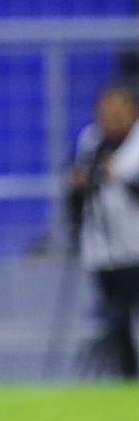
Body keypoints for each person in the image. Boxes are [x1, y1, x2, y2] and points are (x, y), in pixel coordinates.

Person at [65, 82, 139, 377]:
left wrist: (115, 174)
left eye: (119, 108)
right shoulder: (90, 140)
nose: (111, 115)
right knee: (115, 317)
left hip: (135, 241)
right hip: (103, 246)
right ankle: (126, 375)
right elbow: (77, 185)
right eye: (106, 108)